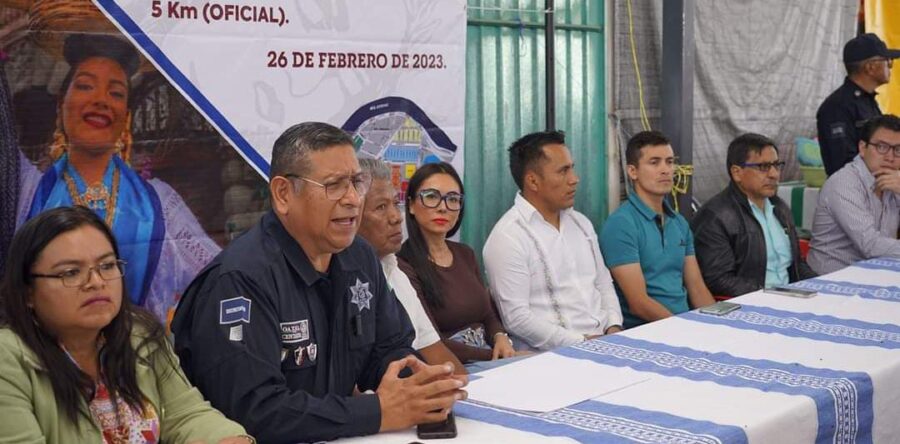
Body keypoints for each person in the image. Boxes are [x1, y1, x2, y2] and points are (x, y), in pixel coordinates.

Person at [171, 122, 466, 443]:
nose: (353, 199)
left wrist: (415, 386)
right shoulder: (240, 280)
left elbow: (389, 347)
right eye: (334, 185)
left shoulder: (360, 257)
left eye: (356, 182)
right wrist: (377, 412)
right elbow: (254, 409)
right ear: (284, 194)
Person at [12, 33, 219, 322]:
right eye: (85, 86)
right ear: (61, 105)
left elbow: (215, 279)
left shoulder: (159, 205)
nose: (100, 100)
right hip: (42, 359)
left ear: (126, 116)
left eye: (116, 93)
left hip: (132, 359)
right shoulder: (26, 191)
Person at [0, 206, 250, 444]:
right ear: (27, 293)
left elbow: (186, 413)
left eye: (107, 266)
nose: (96, 282)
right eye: (71, 272)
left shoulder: (139, 334)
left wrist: (229, 438)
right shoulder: (8, 359)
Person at [482, 130, 623, 351]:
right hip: (552, 359)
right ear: (533, 181)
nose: (574, 179)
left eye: (572, 168)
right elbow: (517, 318)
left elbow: (603, 284)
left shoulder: (581, 223)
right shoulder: (508, 237)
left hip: (607, 343)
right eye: (563, 171)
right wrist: (582, 343)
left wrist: (614, 328)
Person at [397, 162, 520, 364]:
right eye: (431, 197)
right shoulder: (403, 265)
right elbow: (431, 342)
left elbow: (487, 313)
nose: (443, 207)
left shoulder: (465, 254)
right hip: (450, 367)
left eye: (452, 199)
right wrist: (495, 357)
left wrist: (501, 337)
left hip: (491, 358)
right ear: (410, 204)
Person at [356, 158, 466, 374]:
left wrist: (467, 392)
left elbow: (435, 352)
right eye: (381, 207)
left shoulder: (395, 272)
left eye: (395, 204)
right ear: (350, 214)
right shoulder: (343, 280)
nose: (396, 217)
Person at [600, 130, 715, 328]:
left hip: (685, 324)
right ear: (632, 171)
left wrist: (717, 325)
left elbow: (696, 287)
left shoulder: (679, 222)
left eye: (669, 162)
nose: (665, 170)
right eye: (654, 162)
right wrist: (685, 328)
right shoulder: (620, 225)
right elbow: (638, 303)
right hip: (646, 332)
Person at [691, 133, 817, 297]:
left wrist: (820, 286)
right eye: (763, 167)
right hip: (754, 304)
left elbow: (797, 266)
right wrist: (771, 296)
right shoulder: (716, 216)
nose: (774, 174)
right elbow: (718, 279)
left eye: (776, 165)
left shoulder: (780, 208)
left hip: (790, 297)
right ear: (737, 173)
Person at [808, 114, 900, 274]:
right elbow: (870, 245)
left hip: (874, 274)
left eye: (898, 149)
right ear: (862, 148)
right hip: (829, 280)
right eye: (882, 147)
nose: (890, 157)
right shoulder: (845, 182)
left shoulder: (894, 180)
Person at [817, 33, 900, 176]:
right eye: (888, 61)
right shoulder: (837, 106)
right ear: (870, 67)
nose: (890, 67)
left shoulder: (868, 101)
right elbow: (843, 163)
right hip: (852, 192)